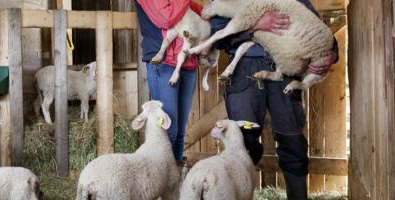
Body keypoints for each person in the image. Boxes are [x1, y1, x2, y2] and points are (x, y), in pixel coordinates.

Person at [209, 1, 338, 199]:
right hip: (245, 68)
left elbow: (316, 27)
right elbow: (216, 34)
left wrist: (331, 53)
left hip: (285, 68)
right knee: (241, 143)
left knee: (292, 139)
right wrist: (255, 25)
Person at [134, 0, 203, 166]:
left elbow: (201, 15)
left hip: (187, 63)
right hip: (164, 64)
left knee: (179, 130)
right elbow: (165, 18)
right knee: (168, 129)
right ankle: (162, 179)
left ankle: (174, 182)